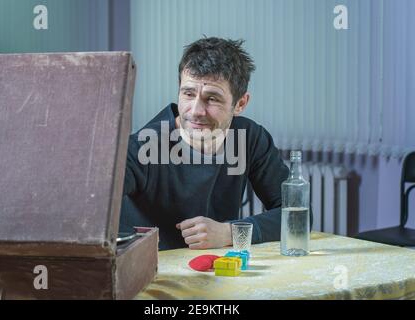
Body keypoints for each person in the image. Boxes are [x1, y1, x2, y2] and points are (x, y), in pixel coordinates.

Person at [120, 37, 290, 250]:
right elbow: (90, 206)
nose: (196, 111)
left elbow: (296, 213)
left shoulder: (250, 138)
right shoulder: (141, 147)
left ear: (240, 104)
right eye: (188, 94)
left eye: (212, 99)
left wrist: (231, 232)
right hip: (153, 275)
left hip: (219, 269)